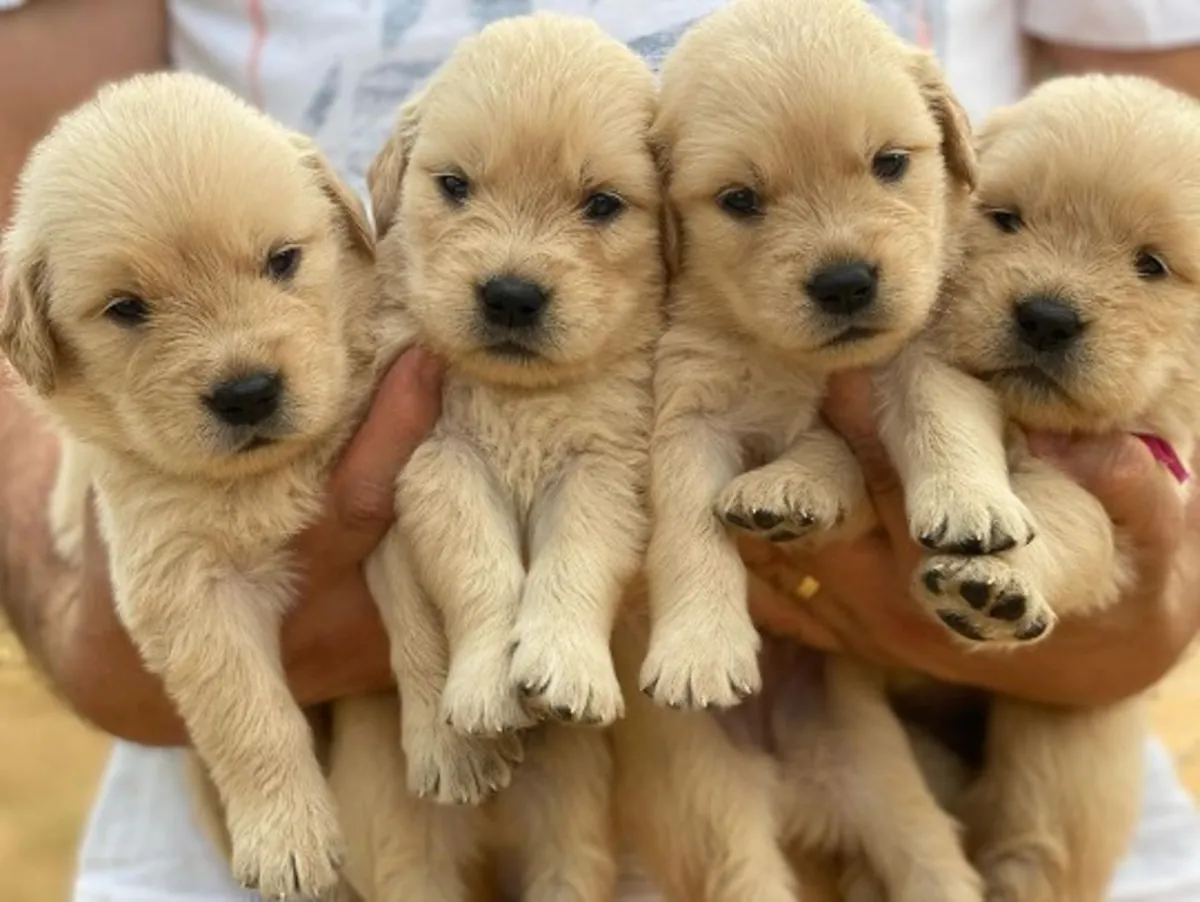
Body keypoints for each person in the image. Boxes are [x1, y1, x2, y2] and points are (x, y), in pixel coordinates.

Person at [1, 1, 1199, 899]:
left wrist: (1164, 570)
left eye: (895, 167)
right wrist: (79, 595)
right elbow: (26, 244)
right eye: (735, 198)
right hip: (309, 749)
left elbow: (1158, 204)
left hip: (1010, 735)